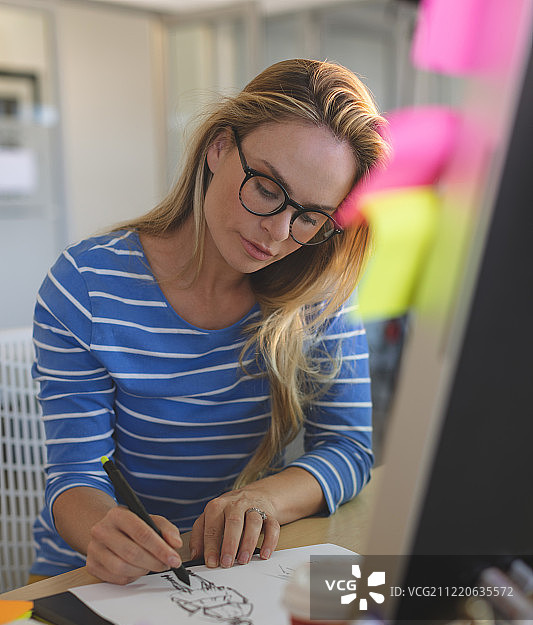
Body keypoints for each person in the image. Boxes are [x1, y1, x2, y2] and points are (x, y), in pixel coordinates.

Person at [30, 58, 387, 584]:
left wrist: (265, 498)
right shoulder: (86, 284)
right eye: (267, 189)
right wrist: (104, 529)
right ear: (219, 147)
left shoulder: (318, 293)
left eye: (310, 217)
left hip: (236, 572)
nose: (277, 233)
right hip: (95, 578)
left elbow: (349, 448)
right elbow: (76, 475)